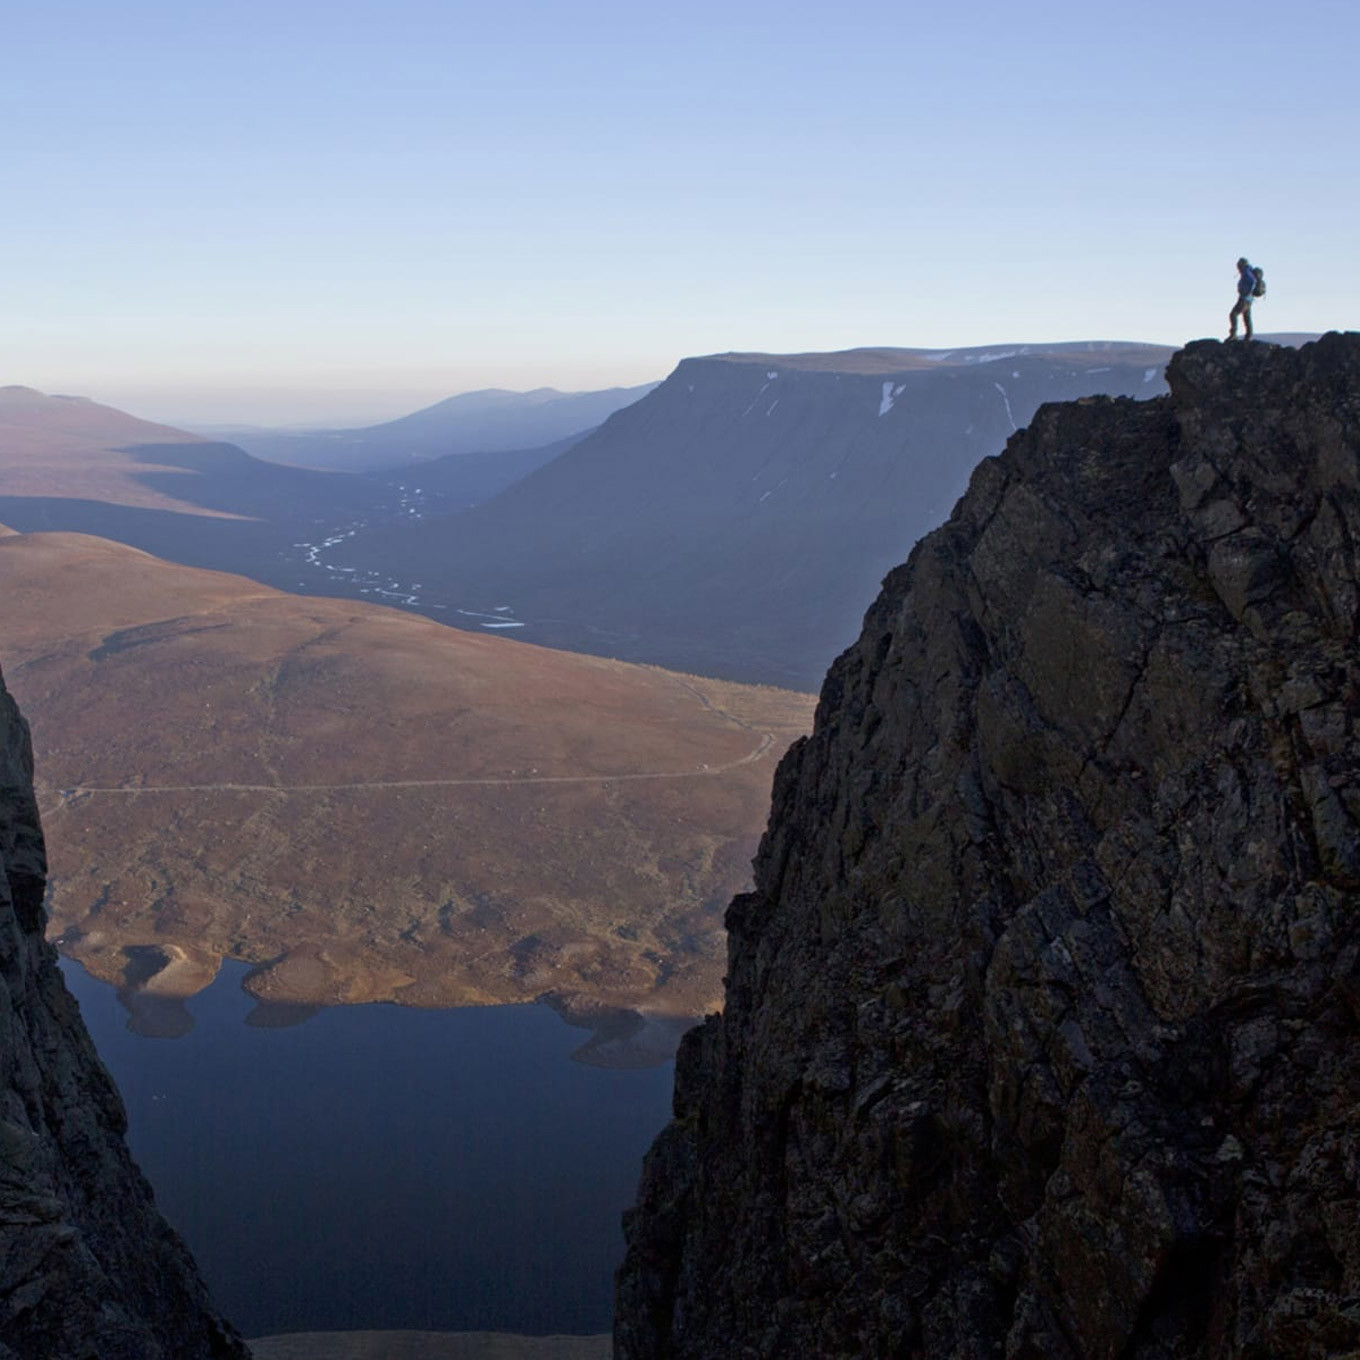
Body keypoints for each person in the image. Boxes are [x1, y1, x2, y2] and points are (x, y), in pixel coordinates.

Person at [1228, 257, 1257, 340]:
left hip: (1244, 299)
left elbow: (1252, 281)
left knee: (1233, 314)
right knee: (1247, 317)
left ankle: (1233, 335)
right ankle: (1249, 336)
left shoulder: (1246, 271)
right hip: (1249, 300)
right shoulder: (1249, 270)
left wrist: (1247, 292)